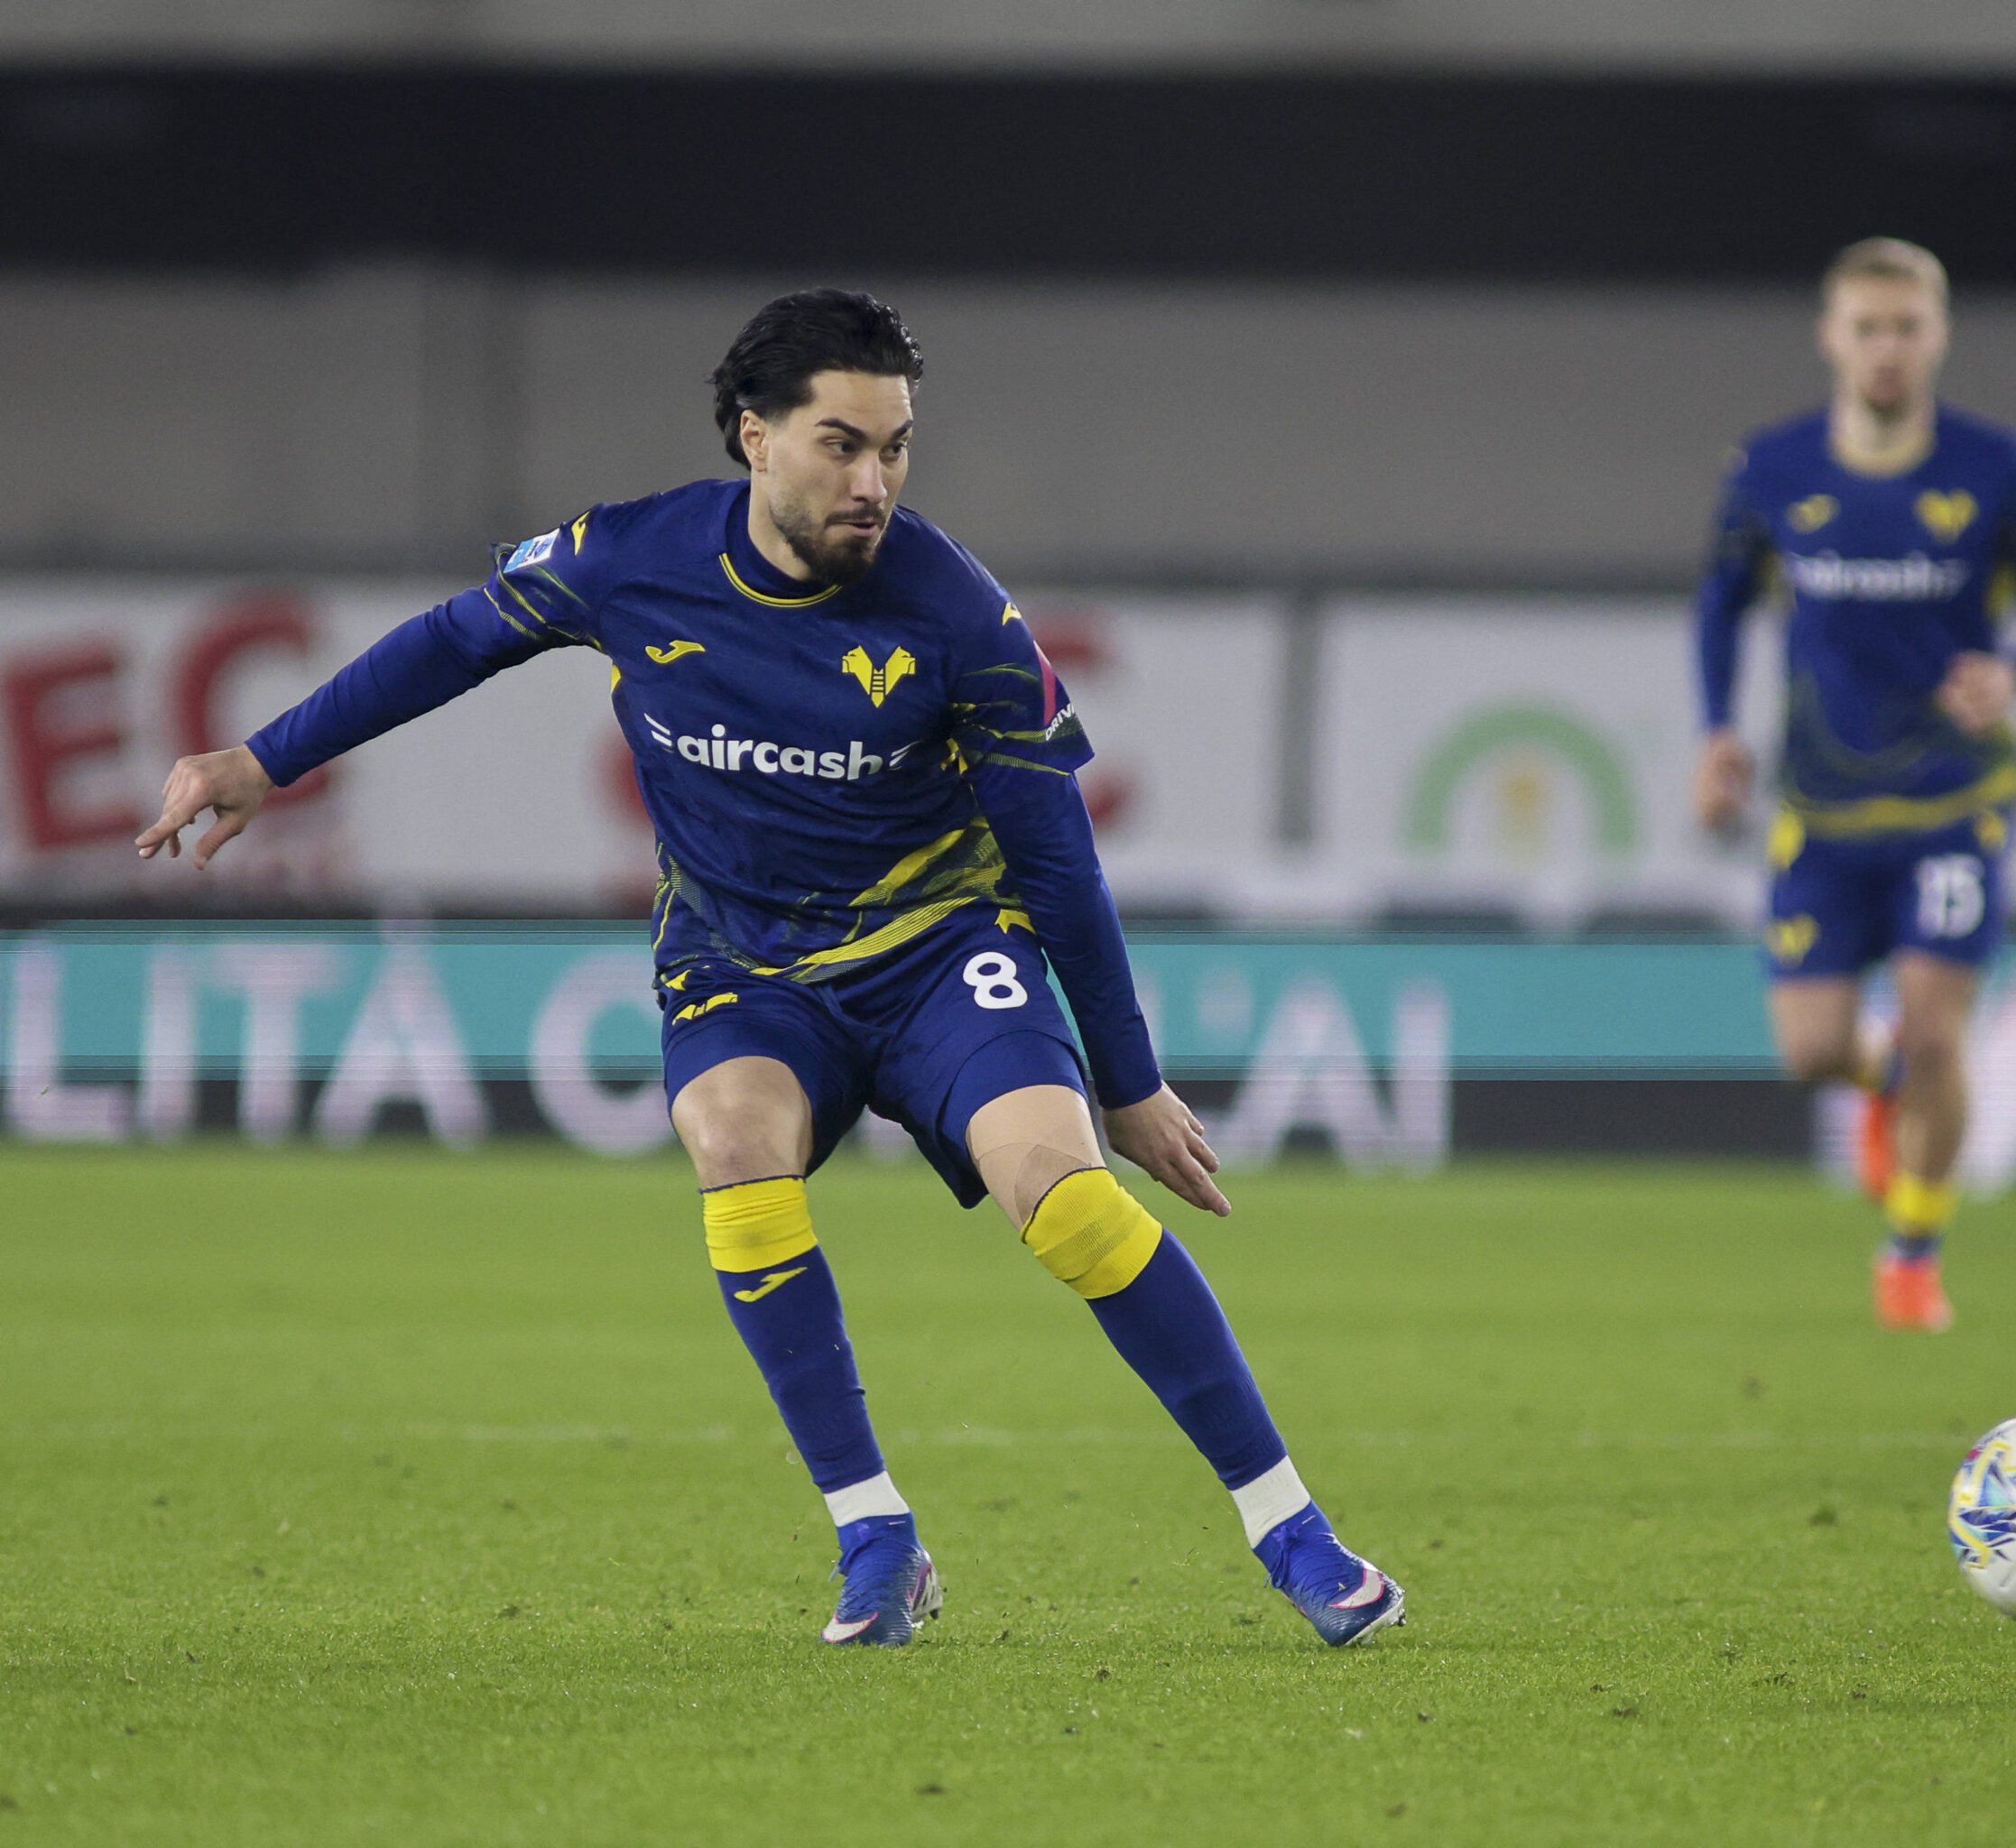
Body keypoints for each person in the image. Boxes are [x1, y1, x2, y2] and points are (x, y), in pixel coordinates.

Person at [136, 289, 1404, 1649]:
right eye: (841, 445)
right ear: (755, 438)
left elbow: (1057, 863)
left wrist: (1132, 1085)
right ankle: (876, 1538)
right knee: (734, 1141)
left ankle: (1294, 1532)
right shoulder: (628, 558)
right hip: (744, 958)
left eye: (897, 448)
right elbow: (454, 639)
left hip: (938, 952)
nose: (876, 482)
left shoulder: (961, 613)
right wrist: (262, 757)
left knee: (1066, 1194)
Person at [1689, 239, 2016, 1332]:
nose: (1885, 347)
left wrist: (2015, 671)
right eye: (1865, 327)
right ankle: (1881, 1090)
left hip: (1953, 802)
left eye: (1905, 327)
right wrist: (1716, 730)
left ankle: (1911, 1254)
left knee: (1934, 1030)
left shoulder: (1997, 466)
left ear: (1937, 335)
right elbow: (1721, 602)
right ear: (1831, 336)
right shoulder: (1770, 469)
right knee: (1812, 1048)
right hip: (1818, 806)